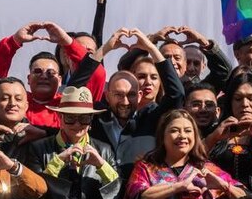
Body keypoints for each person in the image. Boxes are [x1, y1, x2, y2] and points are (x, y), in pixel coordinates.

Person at [76, 28, 185, 178]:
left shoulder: (152, 118)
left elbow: (177, 94)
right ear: (107, 96)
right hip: (95, 197)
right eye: (118, 95)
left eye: (131, 95)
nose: (125, 101)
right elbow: (74, 89)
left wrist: (151, 48)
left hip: (140, 197)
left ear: (140, 96)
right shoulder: (97, 118)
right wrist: (105, 48)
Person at [0, 21, 102, 128]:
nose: (44, 76)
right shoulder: (16, 102)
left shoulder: (69, 103)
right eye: (37, 72)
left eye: (51, 73)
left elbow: (96, 73)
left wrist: (67, 41)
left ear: (60, 80)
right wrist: (15, 40)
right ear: (29, 79)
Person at [0, 77, 48, 158]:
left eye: (18, 99)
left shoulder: (39, 134)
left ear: (26, 106)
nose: (12, 103)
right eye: (5, 98)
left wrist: (45, 135)